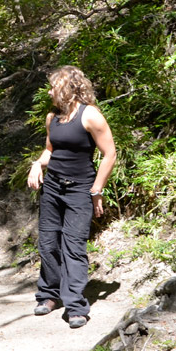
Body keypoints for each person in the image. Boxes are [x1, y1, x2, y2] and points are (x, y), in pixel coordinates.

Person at [27, 65, 117, 329]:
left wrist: (96, 190)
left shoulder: (91, 116)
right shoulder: (52, 117)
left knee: (74, 246)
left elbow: (109, 154)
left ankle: (76, 305)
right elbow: (49, 150)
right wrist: (37, 164)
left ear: (67, 86)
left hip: (79, 188)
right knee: (48, 243)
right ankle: (49, 294)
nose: (50, 90)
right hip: (52, 187)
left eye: (54, 85)